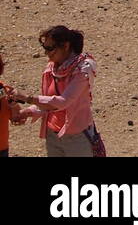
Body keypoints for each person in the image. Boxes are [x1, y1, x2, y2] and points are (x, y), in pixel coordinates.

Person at [9, 26, 102, 157]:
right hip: (53, 135)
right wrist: (27, 112)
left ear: (65, 46)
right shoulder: (51, 69)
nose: (46, 53)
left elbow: (63, 102)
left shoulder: (82, 71)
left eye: (50, 48)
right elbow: (49, 103)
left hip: (77, 138)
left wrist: (28, 98)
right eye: (45, 48)